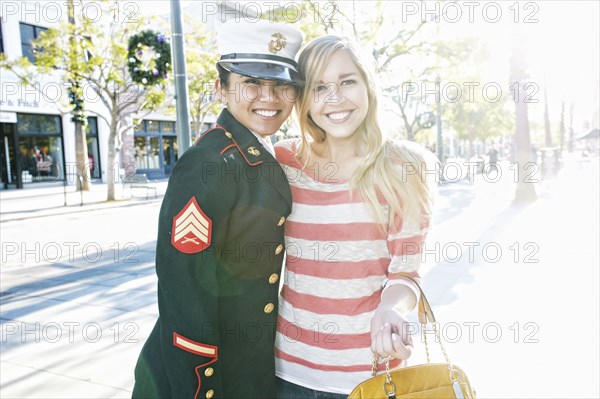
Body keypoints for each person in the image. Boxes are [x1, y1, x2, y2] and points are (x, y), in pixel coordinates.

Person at [132, 19, 303, 399]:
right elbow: (185, 294)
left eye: (283, 86)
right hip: (202, 378)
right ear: (220, 88)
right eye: (252, 83)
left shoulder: (259, 152)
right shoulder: (210, 163)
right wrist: (202, 386)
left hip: (248, 368)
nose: (270, 98)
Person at [273, 35, 437, 398]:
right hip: (288, 371)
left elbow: (406, 272)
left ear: (368, 86)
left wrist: (391, 309)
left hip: (371, 372)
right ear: (303, 99)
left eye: (347, 81)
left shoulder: (404, 168)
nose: (335, 98)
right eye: (319, 87)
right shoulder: (283, 162)